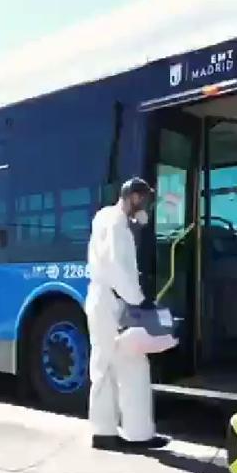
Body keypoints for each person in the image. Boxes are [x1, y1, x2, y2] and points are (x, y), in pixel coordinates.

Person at [86, 177, 170, 451]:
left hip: (108, 301)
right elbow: (116, 267)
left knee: (108, 365)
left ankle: (111, 432)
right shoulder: (116, 225)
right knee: (124, 365)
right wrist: (139, 301)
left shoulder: (107, 219)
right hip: (112, 302)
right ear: (132, 197)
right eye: (142, 200)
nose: (144, 206)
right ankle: (127, 433)